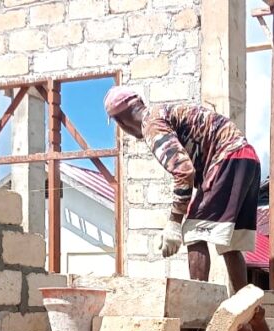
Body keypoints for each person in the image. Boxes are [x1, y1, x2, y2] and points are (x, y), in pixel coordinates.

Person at [103, 87, 259, 292]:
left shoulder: (153, 125)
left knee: (194, 233)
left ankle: (199, 303)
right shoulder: (164, 113)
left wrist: (174, 222)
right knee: (231, 244)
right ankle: (245, 306)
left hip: (227, 159)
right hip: (247, 160)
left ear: (121, 122)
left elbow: (184, 171)